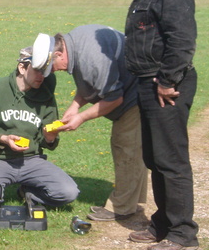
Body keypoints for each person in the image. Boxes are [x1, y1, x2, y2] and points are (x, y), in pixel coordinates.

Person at [122, 0, 198, 250]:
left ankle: (183, 232)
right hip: (148, 82)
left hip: (165, 85)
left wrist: (167, 80)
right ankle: (163, 223)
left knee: (171, 159)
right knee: (155, 158)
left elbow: (181, 40)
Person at [48, 26, 148, 221]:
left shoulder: (90, 58)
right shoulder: (75, 43)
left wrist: (81, 117)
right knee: (134, 149)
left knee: (126, 146)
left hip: (137, 94)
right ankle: (132, 202)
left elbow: (114, 98)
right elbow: (90, 81)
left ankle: (121, 208)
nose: (53, 71)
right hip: (133, 87)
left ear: (59, 53)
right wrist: (74, 106)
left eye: (51, 66)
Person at [0, 34, 79, 208]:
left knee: (68, 192)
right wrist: (4, 139)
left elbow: (48, 141)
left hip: (32, 159)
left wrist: (50, 136)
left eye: (45, 72)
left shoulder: (45, 94)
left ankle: (28, 193)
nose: (42, 77)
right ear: (22, 68)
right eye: (37, 70)